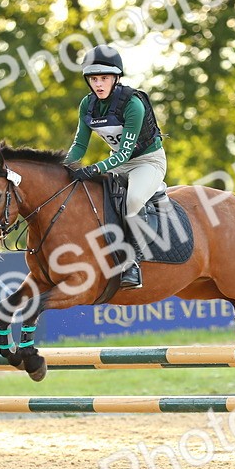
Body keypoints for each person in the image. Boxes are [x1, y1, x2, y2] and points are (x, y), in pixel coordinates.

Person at [65, 44, 167, 289]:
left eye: (104, 78)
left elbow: (125, 153)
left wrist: (96, 168)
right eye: (94, 79)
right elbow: (79, 145)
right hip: (118, 162)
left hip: (147, 161)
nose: (99, 84)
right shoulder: (87, 105)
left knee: (132, 201)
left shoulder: (133, 104)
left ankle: (132, 263)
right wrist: (63, 168)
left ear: (116, 78)